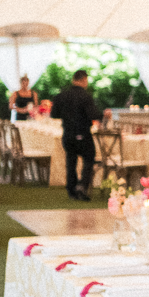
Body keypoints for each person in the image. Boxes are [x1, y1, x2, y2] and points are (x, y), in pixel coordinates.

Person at [55, 69, 109, 200]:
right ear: (84, 79)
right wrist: (104, 115)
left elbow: (54, 114)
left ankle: (71, 189)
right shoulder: (85, 96)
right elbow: (93, 115)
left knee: (71, 161)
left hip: (67, 133)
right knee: (89, 158)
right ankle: (83, 186)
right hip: (82, 133)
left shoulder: (61, 95)